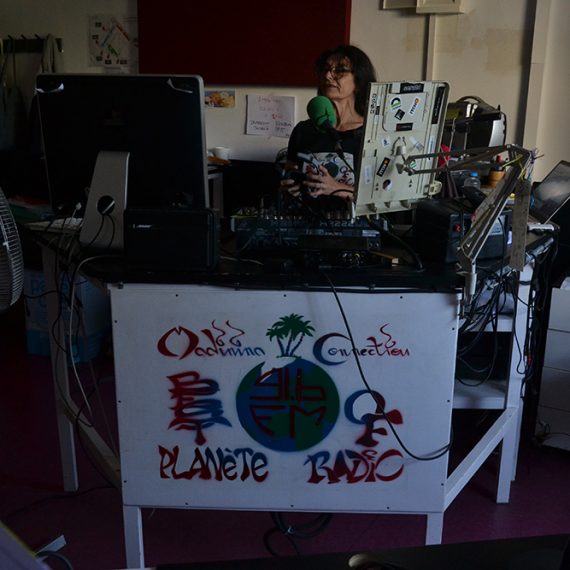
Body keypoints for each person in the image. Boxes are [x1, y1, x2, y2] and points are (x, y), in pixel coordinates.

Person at [281, 45, 377, 210]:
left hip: (354, 222)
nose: (328, 75)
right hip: (306, 219)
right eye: (325, 69)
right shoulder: (303, 130)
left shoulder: (373, 133)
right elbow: (288, 176)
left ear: (359, 81)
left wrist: (337, 188)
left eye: (339, 70)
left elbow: (383, 197)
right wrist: (288, 188)